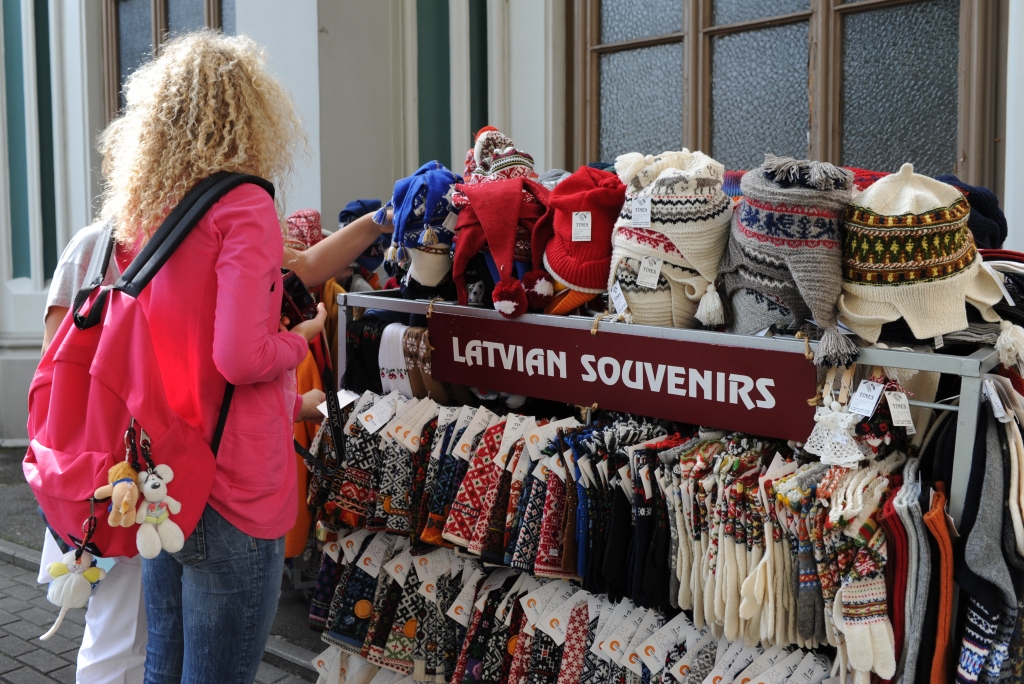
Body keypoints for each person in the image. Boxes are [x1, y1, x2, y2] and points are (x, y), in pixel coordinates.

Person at [95, 30, 388, 684]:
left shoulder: (152, 208)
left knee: (163, 665)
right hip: (233, 483)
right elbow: (237, 356)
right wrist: (304, 335)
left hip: (162, 469)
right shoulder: (244, 203)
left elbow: (181, 347)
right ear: (249, 110)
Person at [40, 217, 150, 684]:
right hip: (124, 468)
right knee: (121, 634)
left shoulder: (93, 243)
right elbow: (53, 360)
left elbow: (50, 361)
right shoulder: (101, 243)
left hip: (95, 463)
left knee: (118, 629)